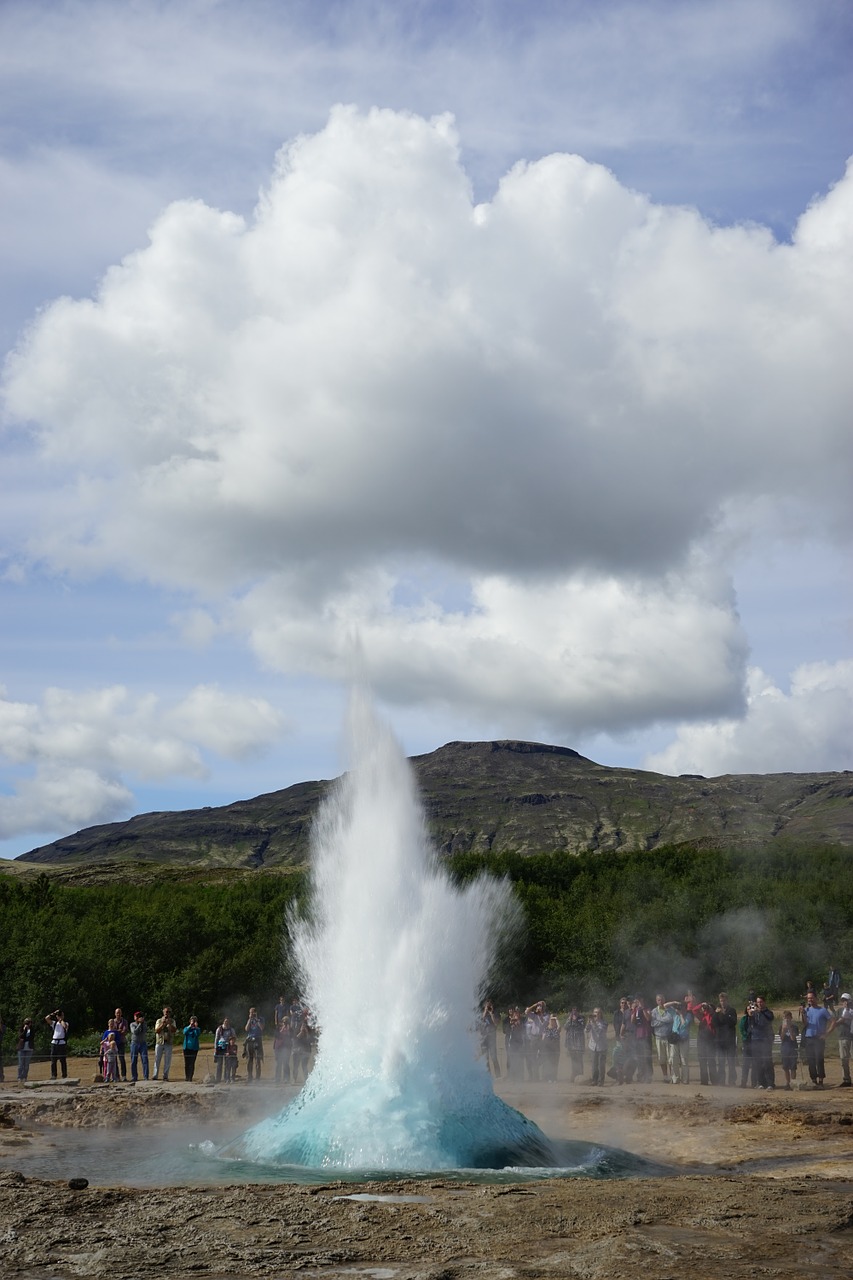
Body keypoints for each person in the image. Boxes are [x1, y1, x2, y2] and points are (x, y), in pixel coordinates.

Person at [800, 989, 834, 1088]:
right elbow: (805, 1023)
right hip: (809, 1037)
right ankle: (813, 1079)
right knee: (810, 1060)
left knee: (819, 1059)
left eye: (811, 998)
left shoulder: (822, 1010)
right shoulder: (806, 1010)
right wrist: (802, 1013)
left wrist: (826, 1034)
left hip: (819, 1038)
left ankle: (821, 1080)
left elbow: (833, 1021)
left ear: (816, 998)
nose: (809, 1000)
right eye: (808, 998)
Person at [749, 996, 775, 1090]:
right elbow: (751, 1025)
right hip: (755, 1039)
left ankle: (770, 1083)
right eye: (758, 1002)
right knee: (757, 1062)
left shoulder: (768, 1013)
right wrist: (750, 1015)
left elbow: (769, 1020)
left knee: (767, 1062)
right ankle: (760, 1082)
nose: (759, 1004)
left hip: (765, 1039)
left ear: (764, 1002)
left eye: (761, 1002)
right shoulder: (754, 1013)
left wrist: (760, 1013)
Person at [713, 992, 738, 1087]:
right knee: (721, 1062)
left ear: (727, 1000)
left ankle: (732, 1081)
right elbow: (714, 1023)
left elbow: (733, 1022)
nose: (722, 1002)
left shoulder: (732, 1010)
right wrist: (716, 1014)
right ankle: (721, 1080)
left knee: (731, 1062)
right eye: (721, 1001)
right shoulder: (717, 1011)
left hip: (730, 1040)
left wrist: (724, 1014)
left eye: (724, 1000)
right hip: (720, 1040)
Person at [692, 1001, 717, 1086]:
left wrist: (708, 1012)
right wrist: (701, 1005)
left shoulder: (713, 1016)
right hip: (701, 1041)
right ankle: (704, 1081)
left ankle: (714, 1080)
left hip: (710, 1041)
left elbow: (710, 1023)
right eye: (706, 1008)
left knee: (711, 1061)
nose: (706, 1009)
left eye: (709, 1008)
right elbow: (694, 1010)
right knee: (702, 1061)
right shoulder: (701, 1016)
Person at [650, 994, 673, 1082]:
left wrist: (659, 1019)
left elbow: (670, 1019)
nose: (661, 1002)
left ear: (665, 1000)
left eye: (662, 1000)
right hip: (659, 1037)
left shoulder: (669, 1010)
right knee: (661, 1058)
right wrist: (664, 1021)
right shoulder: (654, 1011)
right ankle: (665, 1076)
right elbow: (653, 1024)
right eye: (659, 1000)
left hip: (668, 1037)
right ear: (656, 1001)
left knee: (670, 1058)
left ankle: (672, 1076)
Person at [153, 1006, 177, 1081]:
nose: (167, 1013)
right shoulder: (159, 1020)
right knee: (157, 1059)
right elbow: (156, 1030)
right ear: (163, 1012)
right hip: (160, 1042)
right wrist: (163, 1024)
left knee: (167, 1060)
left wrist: (170, 1025)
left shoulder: (172, 1021)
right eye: (166, 1012)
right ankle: (155, 1075)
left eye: (169, 1012)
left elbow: (174, 1030)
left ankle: (165, 1076)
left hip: (168, 1042)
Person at [585, 1008, 608, 1085]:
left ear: (601, 1014)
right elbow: (586, 1030)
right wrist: (588, 1023)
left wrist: (593, 1022)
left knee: (601, 1066)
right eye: (595, 1012)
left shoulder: (604, 1023)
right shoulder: (591, 1022)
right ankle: (594, 1080)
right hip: (593, 1046)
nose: (596, 1014)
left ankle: (601, 1081)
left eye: (598, 1013)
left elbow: (599, 1032)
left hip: (602, 1046)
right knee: (594, 1065)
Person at [45, 1009, 69, 1080]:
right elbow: (46, 1018)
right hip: (54, 1043)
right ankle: (53, 1075)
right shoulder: (54, 1023)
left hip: (62, 1043)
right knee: (53, 1060)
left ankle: (64, 1075)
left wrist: (61, 1020)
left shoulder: (66, 1023)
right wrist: (53, 1013)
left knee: (63, 1060)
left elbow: (65, 1026)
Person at [778, 1010, 800, 1090]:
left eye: (788, 1018)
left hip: (793, 1048)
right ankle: (787, 1082)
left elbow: (793, 1038)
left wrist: (790, 1028)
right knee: (785, 1067)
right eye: (785, 1018)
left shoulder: (795, 1027)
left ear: (791, 1018)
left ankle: (793, 1082)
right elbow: (781, 1038)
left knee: (793, 1067)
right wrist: (783, 1030)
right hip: (785, 1048)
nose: (786, 1020)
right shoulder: (781, 1027)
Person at [478, 1001, 501, 1077]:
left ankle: (498, 1075)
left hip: (492, 1037)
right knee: (485, 1057)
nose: (489, 1007)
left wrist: (491, 1014)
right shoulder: (481, 1013)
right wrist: (485, 1011)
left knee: (494, 1056)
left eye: (490, 1006)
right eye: (487, 1006)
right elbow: (481, 1020)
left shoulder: (495, 1013)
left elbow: (496, 1024)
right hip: (484, 1038)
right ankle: (488, 1075)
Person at [835, 992, 852, 1087]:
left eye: (846, 1000)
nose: (844, 1002)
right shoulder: (839, 1011)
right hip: (843, 1036)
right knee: (843, 1059)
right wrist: (841, 1020)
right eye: (843, 1000)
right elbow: (835, 1022)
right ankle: (846, 1079)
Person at [563, 1008, 585, 1082]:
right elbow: (565, 1027)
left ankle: (580, 1075)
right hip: (571, 1043)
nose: (574, 1013)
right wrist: (570, 1019)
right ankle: (574, 1075)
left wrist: (575, 1020)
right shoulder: (569, 1019)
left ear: (578, 1012)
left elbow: (582, 1027)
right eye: (573, 1011)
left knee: (579, 1060)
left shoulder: (581, 1019)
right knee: (573, 1060)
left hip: (579, 1043)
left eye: (576, 1011)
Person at [244, 1007, 265, 1082]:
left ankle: (257, 1077)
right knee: (249, 1059)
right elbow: (246, 1029)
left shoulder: (260, 1019)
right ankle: (250, 1076)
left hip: (258, 1039)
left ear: (255, 1012)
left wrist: (257, 1019)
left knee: (258, 1059)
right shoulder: (249, 1020)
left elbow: (262, 1028)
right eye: (250, 1012)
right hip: (250, 1040)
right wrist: (250, 1020)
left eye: (252, 1012)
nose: (251, 1014)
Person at [214, 1017, 236, 1084]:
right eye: (225, 1021)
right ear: (223, 1021)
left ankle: (226, 1078)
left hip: (228, 1048)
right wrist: (215, 1047)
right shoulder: (219, 1029)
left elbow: (234, 1037)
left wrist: (231, 1042)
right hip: (220, 1047)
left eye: (227, 1021)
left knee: (227, 1064)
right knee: (219, 1064)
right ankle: (218, 1079)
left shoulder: (231, 1029)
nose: (226, 1022)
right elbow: (216, 1038)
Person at [129, 1011, 149, 1083]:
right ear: (134, 1017)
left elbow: (145, 1031)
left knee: (145, 1060)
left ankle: (146, 1076)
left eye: (139, 1016)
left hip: (143, 1043)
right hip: (134, 1043)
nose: (138, 1018)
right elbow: (135, 1032)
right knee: (134, 1060)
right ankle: (134, 1077)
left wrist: (142, 1024)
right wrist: (139, 1024)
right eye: (136, 1016)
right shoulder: (132, 1024)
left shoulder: (144, 1024)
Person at [541, 1014, 561, 1081]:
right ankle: (548, 1077)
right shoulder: (546, 1029)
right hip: (547, 1049)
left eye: (554, 1020)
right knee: (548, 1063)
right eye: (551, 1019)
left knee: (555, 1063)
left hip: (555, 1049)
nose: (552, 1021)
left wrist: (556, 1019)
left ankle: (554, 1078)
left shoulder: (556, 1029)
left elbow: (559, 1027)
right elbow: (543, 1039)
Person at [273, 1016, 292, 1084]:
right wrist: (282, 1030)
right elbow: (276, 1035)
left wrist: (288, 1029)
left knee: (286, 1063)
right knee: (278, 1063)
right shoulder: (278, 1027)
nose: (285, 1023)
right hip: (278, 1047)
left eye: (286, 1022)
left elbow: (291, 1036)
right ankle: (277, 1078)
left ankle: (286, 1078)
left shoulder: (290, 1028)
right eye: (284, 1021)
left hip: (286, 1047)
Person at [182, 1014, 201, 1081]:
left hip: (194, 1049)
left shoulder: (197, 1029)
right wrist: (190, 1026)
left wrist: (195, 1028)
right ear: (190, 1021)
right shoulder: (187, 1028)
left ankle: (190, 1077)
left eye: (194, 1021)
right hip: (186, 1048)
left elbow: (197, 1034)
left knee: (192, 1063)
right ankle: (186, 1077)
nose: (193, 1022)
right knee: (187, 1063)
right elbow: (184, 1032)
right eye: (192, 1021)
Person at [113, 1008, 129, 1081]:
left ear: (121, 1013)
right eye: (117, 1013)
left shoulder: (124, 1021)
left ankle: (124, 1075)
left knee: (122, 1059)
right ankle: (116, 1076)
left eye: (119, 1013)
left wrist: (117, 1031)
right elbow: (112, 1031)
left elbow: (124, 1031)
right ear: (115, 1014)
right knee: (114, 1060)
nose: (118, 1014)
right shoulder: (113, 1021)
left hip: (121, 1042)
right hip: (114, 1043)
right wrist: (119, 1031)